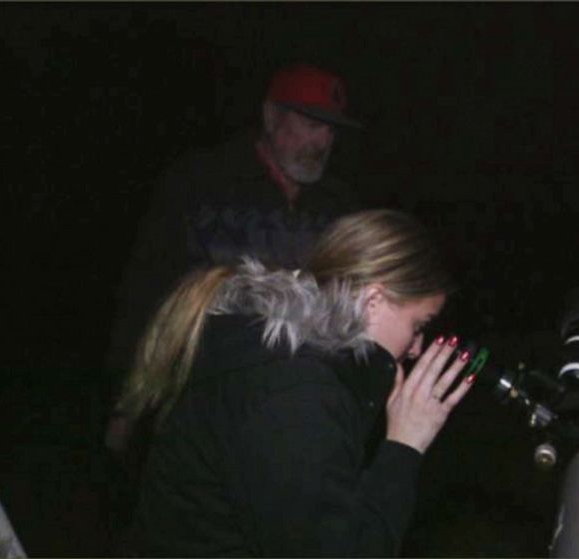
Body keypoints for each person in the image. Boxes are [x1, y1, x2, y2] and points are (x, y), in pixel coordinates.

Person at [114, 209, 477, 556]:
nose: (417, 349)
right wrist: (404, 444)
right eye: (419, 326)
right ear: (373, 301)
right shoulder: (296, 394)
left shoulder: (283, 362)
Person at [106, 63, 363, 455]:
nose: (323, 140)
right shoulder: (201, 183)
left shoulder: (339, 206)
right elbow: (147, 289)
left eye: (331, 129)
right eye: (311, 122)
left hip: (296, 412)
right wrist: (127, 402)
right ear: (271, 116)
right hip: (199, 402)